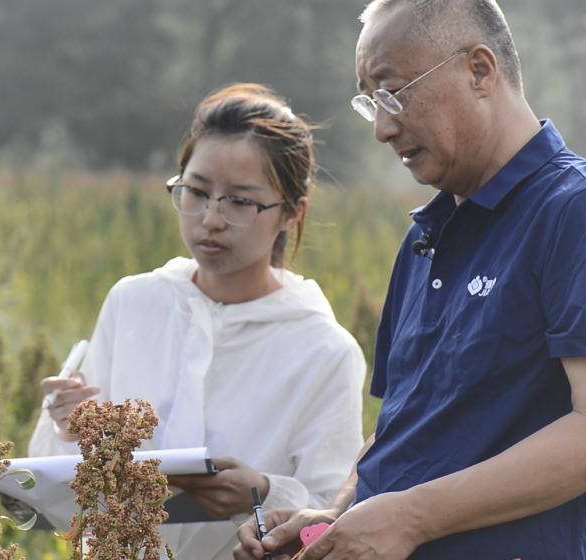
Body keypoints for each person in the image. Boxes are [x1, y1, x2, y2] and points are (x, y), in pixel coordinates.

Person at [235, 2, 586, 559]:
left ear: (479, 71)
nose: (383, 128)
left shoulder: (570, 211)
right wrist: (339, 515)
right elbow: (407, 423)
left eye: (394, 92)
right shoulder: (426, 236)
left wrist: (412, 518)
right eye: (370, 102)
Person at [28, 83, 366, 559]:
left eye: (239, 202)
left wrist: (263, 494)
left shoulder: (324, 351)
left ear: (292, 212)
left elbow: (332, 516)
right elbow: (58, 491)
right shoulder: (134, 303)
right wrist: (68, 427)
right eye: (197, 192)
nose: (210, 219)